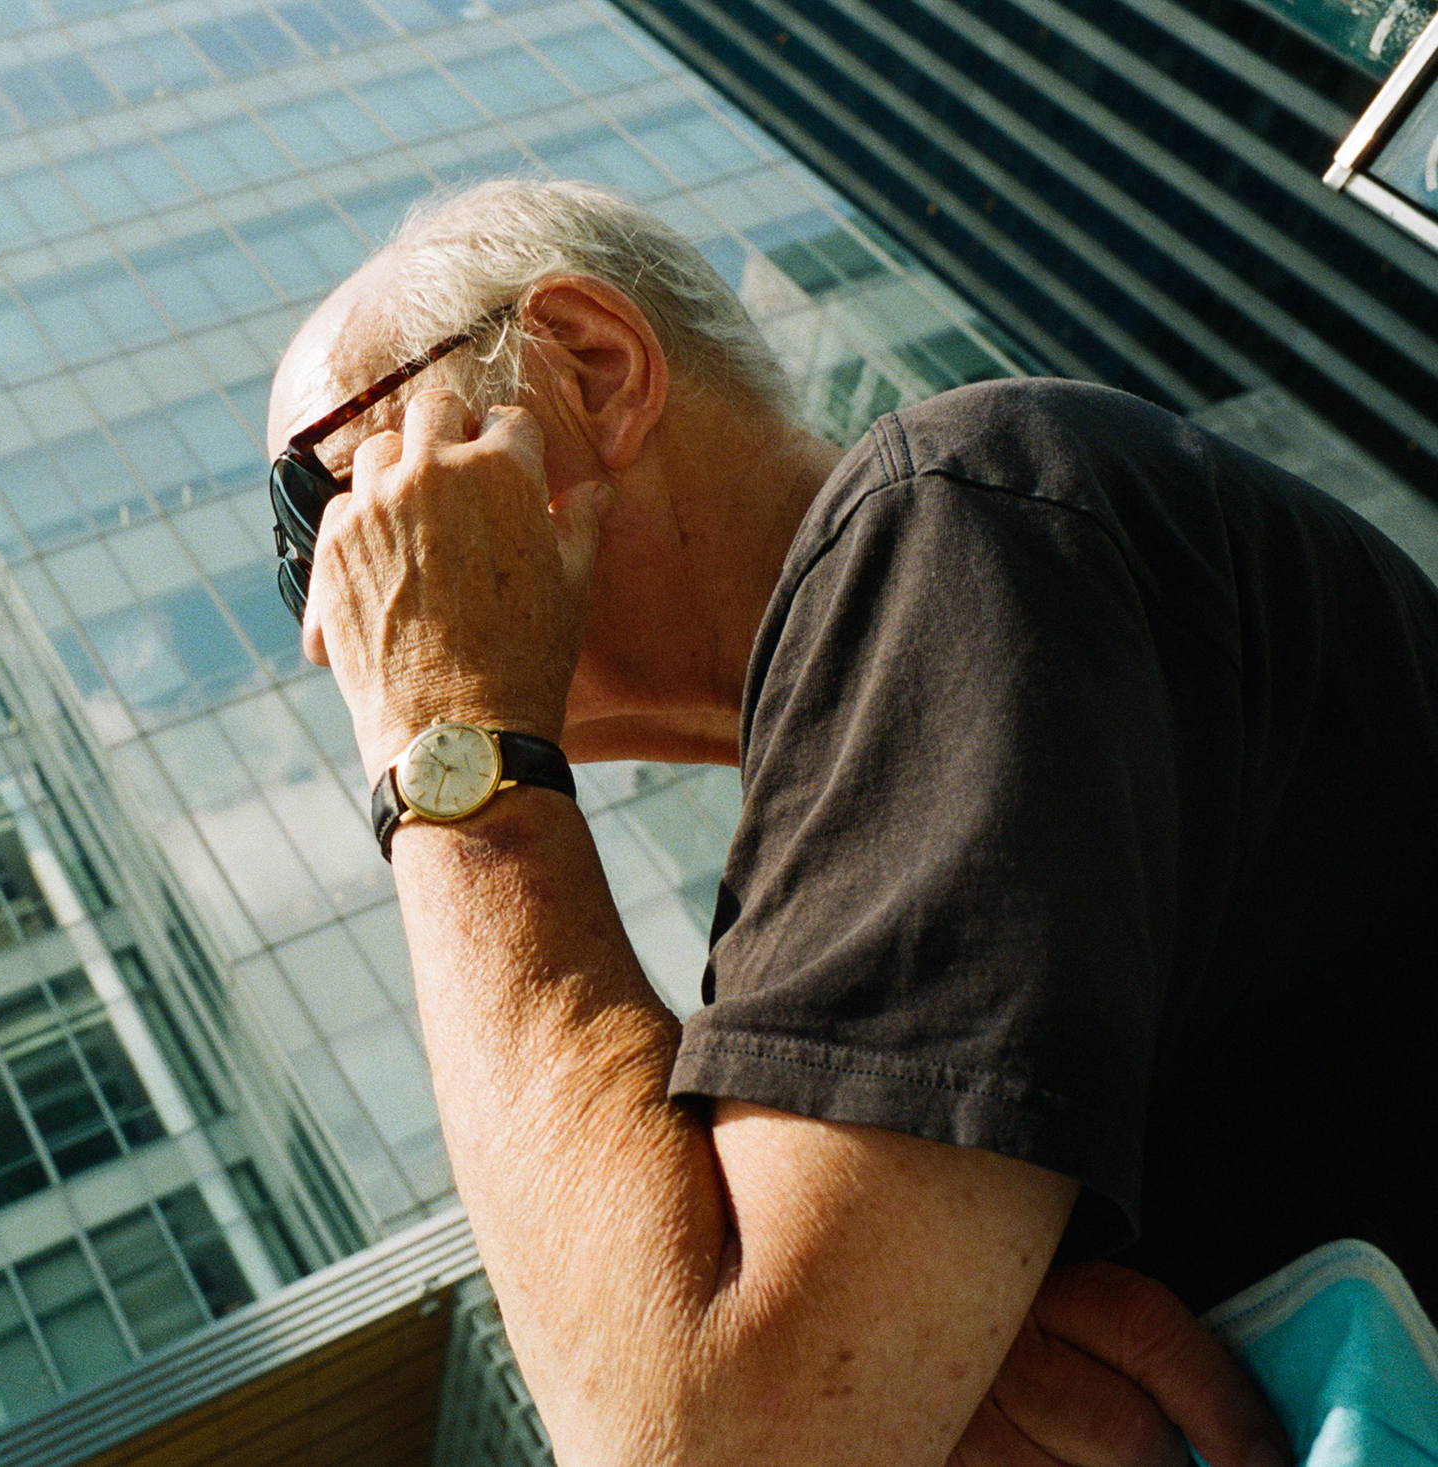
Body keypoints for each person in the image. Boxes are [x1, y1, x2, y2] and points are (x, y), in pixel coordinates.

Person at [264, 178, 1438, 1466]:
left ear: (591, 370)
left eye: (328, 507)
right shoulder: (824, 839)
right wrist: (917, 1362)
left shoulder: (950, 514)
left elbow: (699, 1436)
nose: (334, 622)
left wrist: (449, 739)